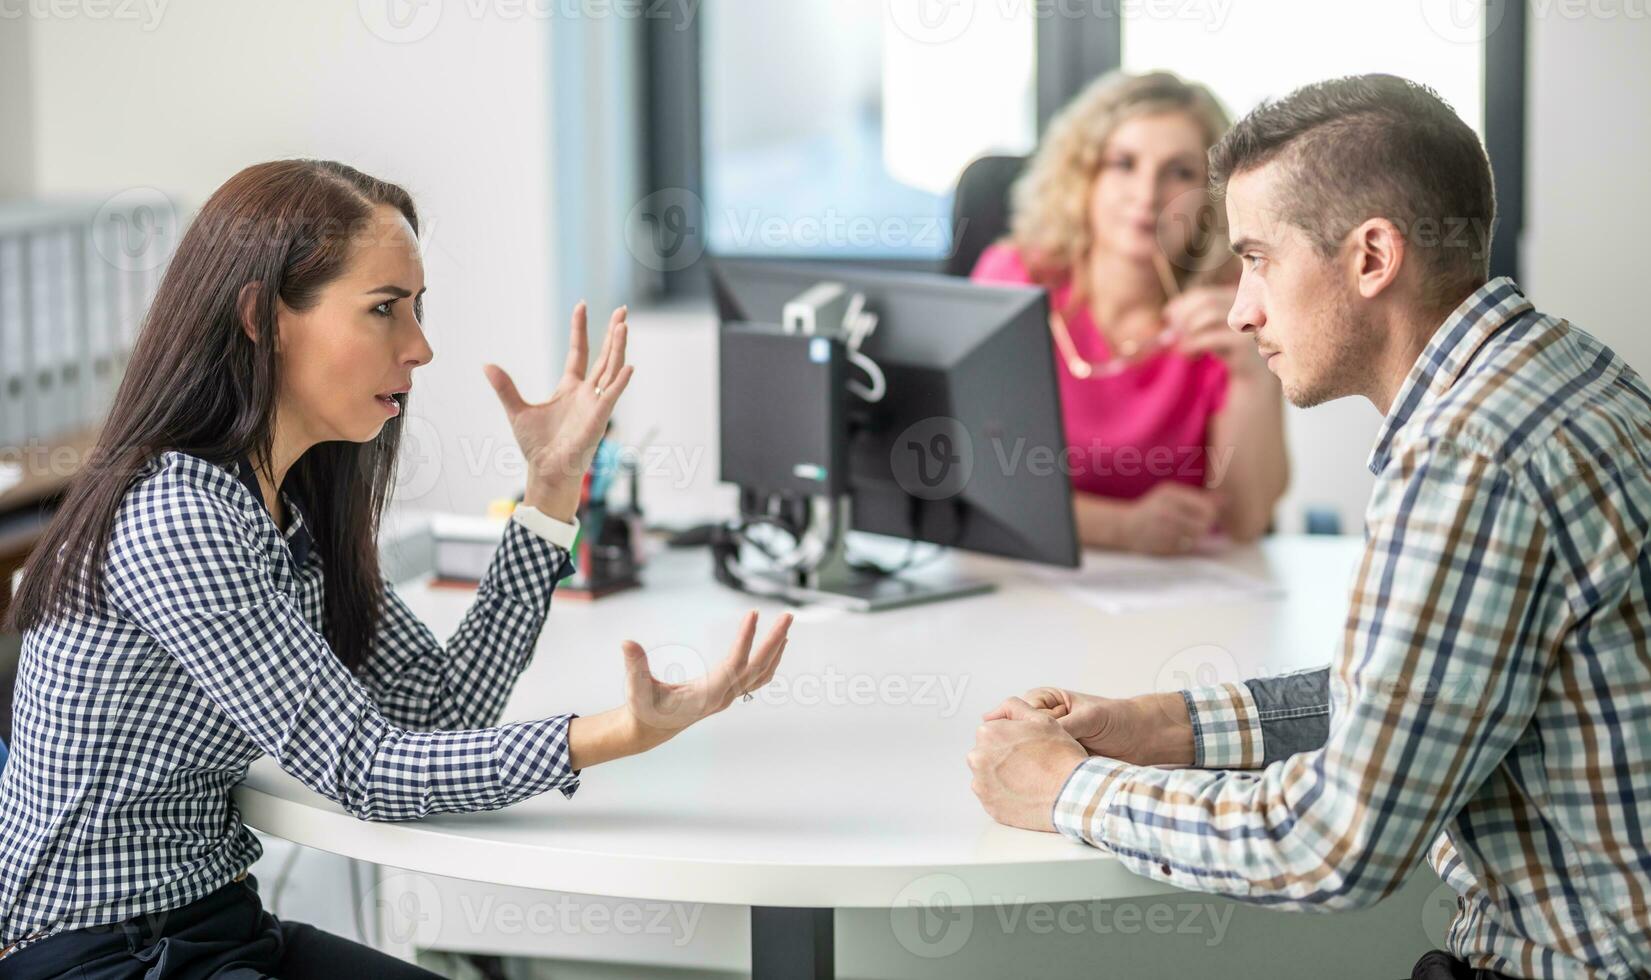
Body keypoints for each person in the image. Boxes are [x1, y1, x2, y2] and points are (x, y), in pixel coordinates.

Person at [0, 160, 792, 978]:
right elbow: (363, 767)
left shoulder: (285, 510)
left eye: (416, 308)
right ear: (262, 318)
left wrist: (550, 492)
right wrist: (615, 735)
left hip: (214, 923)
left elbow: (443, 710)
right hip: (97, 958)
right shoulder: (181, 515)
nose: (420, 347)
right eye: (384, 309)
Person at [967, 75, 1651, 980]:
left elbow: (1331, 846)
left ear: (1371, 258)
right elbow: (1414, 694)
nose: (1242, 306)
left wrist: (1063, 788)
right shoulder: (1560, 369)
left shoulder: (1468, 456)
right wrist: (1154, 723)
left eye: (1258, 258)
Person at [971, 70, 1288, 555]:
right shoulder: (1014, 279)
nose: (1147, 194)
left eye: (1179, 172)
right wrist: (1121, 528)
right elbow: (977, 482)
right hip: (1022, 576)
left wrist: (1252, 377)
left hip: (1180, 597)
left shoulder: (1229, 311)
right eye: (1124, 164)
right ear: (1083, 177)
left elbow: (1247, 521)